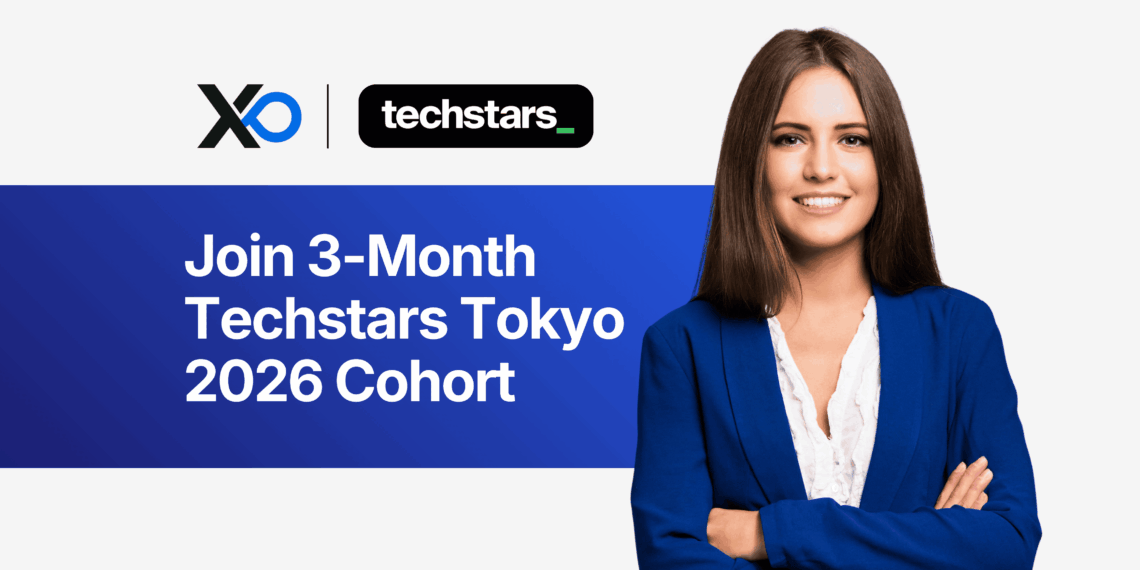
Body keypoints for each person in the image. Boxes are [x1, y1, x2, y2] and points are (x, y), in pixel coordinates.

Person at [630, 28, 1041, 569]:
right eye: (789, 138)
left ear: (886, 158)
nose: (822, 167)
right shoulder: (682, 346)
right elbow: (671, 558)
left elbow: (1006, 544)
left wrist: (771, 533)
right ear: (751, 158)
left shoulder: (961, 330)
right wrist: (926, 540)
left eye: (852, 138)